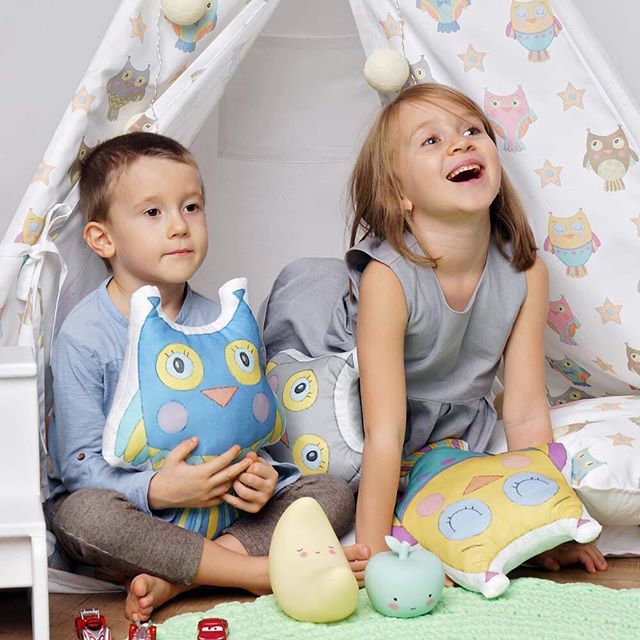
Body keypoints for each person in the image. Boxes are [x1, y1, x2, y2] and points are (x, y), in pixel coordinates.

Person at [261, 83, 607, 576]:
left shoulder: (525, 272)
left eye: (472, 131)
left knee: (471, 497)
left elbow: (527, 410)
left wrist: (544, 524)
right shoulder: (390, 279)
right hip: (360, 417)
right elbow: (385, 431)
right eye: (431, 140)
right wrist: (375, 551)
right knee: (323, 484)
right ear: (398, 194)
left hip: (449, 433)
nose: (461, 143)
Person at [47, 132, 369, 621]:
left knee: (331, 491)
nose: (179, 226)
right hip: (143, 514)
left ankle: (186, 577)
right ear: (102, 239)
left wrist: (262, 477)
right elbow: (79, 465)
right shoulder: (85, 336)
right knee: (80, 515)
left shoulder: (224, 321)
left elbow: (249, 428)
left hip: (223, 511)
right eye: (152, 212)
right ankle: (256, 572)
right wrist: (159, 489)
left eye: (191, 207)